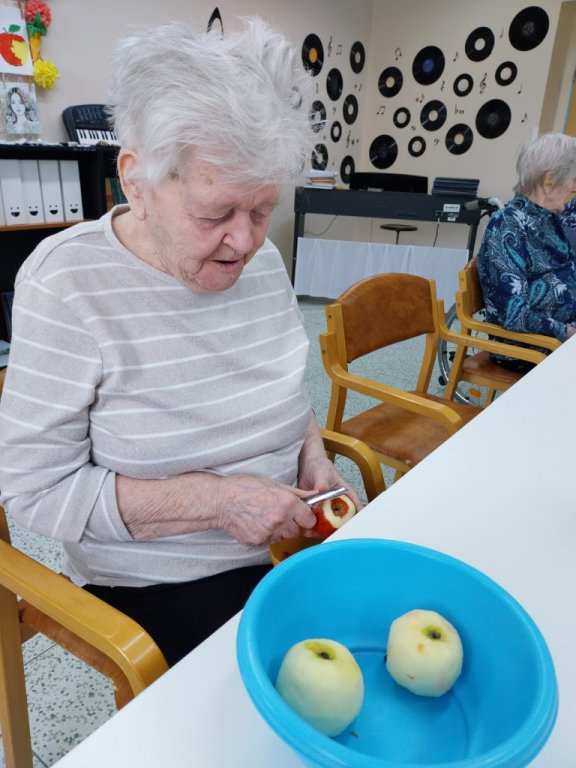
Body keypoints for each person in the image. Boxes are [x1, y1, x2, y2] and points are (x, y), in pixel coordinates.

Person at [0, 19, 360, 666]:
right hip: (160, 578)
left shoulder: (260, 261)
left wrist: (312, 459)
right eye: (215, 213)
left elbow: (278, 383)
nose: (246, 241)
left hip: (286, 537)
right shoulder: (65, 284)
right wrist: (219, 504)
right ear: (135, 181)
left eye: (262, 210)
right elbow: (35, 493)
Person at [476, 132, 576, 372]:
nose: (575, 188)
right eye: (573, 180)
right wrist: (568, 332)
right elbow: (515, 315)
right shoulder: (506, 227)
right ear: (549, 181)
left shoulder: (549, 218)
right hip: (530, 347)